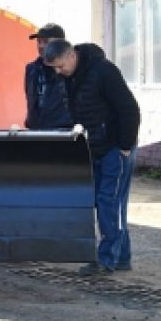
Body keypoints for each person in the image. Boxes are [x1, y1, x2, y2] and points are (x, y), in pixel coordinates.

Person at [42, 39, 141, 276]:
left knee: (110, 202)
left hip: (114, 148)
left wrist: (124, 145)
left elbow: (129, 109)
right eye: (53, 68)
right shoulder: (71, 78)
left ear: (71, 56)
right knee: (106, 201)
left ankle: (107, 259)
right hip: (97, 146)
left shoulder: (104, 72)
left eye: (59, 66)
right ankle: (121, 257)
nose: (57, 72)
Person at [24, 23, 72, 130]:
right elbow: (30, 100)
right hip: (36, 132)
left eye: (46, 41)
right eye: (39, 41)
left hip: (63, 132)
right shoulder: (31, 69)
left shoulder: (70, 69)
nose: (41, 46)